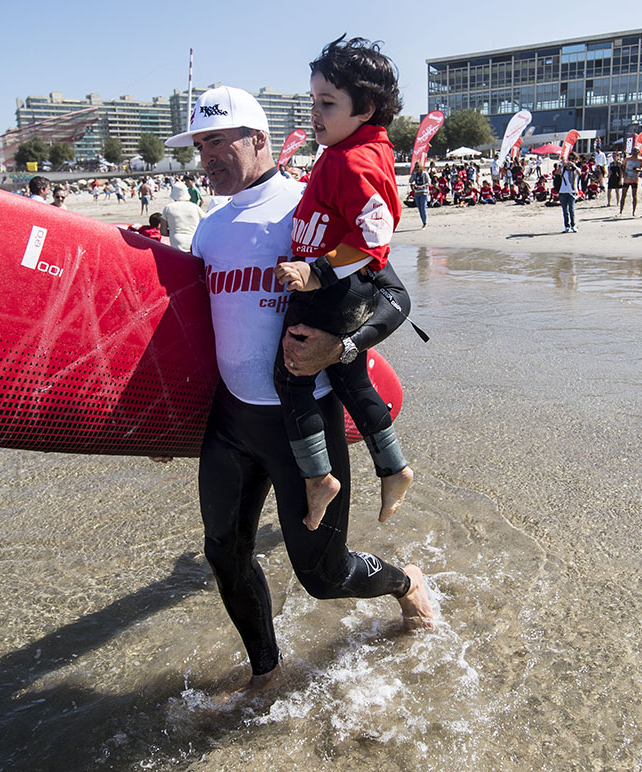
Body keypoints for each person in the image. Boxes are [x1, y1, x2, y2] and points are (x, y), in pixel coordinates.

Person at [161, 82, 434, 697]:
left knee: (325, 576)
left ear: (258, 139)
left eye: (217, 141)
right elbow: (196, 335)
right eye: (199, 146)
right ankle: (266, 672)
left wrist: (342, 348)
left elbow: (395, 298)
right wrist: (165, 422)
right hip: (231, 421)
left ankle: (404, 582)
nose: (207, 156)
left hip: (303, 419)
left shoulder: (308, 207)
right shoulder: (209, 230)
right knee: (224, 553)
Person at [271, 37, 415, 529]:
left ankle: (318, 479)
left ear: (366, 108)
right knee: (350, 378)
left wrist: (317, 272)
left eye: (328, 103)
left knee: (291, 375)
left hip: (332, 290)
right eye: (313, 100)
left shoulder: (350, 160)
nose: (315, 113)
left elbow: (376, 234)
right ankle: (393, 468)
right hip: (348, 288)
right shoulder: (349, 151)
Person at [160, 180, 205, 251]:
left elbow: (163, 231)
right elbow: (205, 222)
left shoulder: (168, 208)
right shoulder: (195, 207)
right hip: (193, 241)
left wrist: (173, 232)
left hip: (176, 243)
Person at [559, 153, 580, 233]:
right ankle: (566, 226)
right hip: (563, 191)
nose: (571, 160)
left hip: (572, 192)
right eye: (570, 159)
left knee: (571, 209)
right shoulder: (564, 169)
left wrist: (574, 166)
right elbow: (556, 172)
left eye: (573, 159)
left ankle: (573, 225)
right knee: (565, 211)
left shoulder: (576, 169)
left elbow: (580, 173)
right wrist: (563, 165)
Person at [619, 147, 641, 216]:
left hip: (635, 180)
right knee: (623, 195)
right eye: (633, 151)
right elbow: (622, 166)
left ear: (638, 152)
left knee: (634, 195)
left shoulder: (640, 160)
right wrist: (623, 173)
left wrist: (639, 170)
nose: (634, 152)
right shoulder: (627, 159)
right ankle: (621, 211)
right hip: (627, 179)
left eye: (636, 151)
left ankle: (634, 212)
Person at [409, 161, 430, 227]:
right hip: (417, 193)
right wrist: (413, 173)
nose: (417, 168)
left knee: (423, 208)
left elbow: (428, 182)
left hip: (424, 192)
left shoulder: (424, 174)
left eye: (418, 167)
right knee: (420, 209)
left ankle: (425, 222)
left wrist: (422, 186)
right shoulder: (415, 175)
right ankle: (423, 221)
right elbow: (410, 181)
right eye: (416, 167)